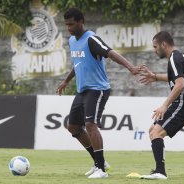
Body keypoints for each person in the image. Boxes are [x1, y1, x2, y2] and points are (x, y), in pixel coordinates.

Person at [56, 8, 139, 179]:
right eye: (66, 25)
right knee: (73, 127)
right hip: (82, 90)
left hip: (97, 89)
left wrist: (131, 67)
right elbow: (78, 63)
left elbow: (111, 53)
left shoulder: (91, 39)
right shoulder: (72, 41)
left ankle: (101, 170)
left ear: (80, 22)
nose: (69, 28)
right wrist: (66, 80)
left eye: (71, 24)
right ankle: (98, 161)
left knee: (91, 125)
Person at [138, 31, 184, 180]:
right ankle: (159, 169)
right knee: (153, 130)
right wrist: (155, 77)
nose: (154, 50)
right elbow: (176, 78)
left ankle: (160, 172)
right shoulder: (180, 56)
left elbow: (180, 85)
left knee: (156, 132)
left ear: (163, 44)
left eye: (155, 46)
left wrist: (164, 105)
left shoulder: (174, 59)